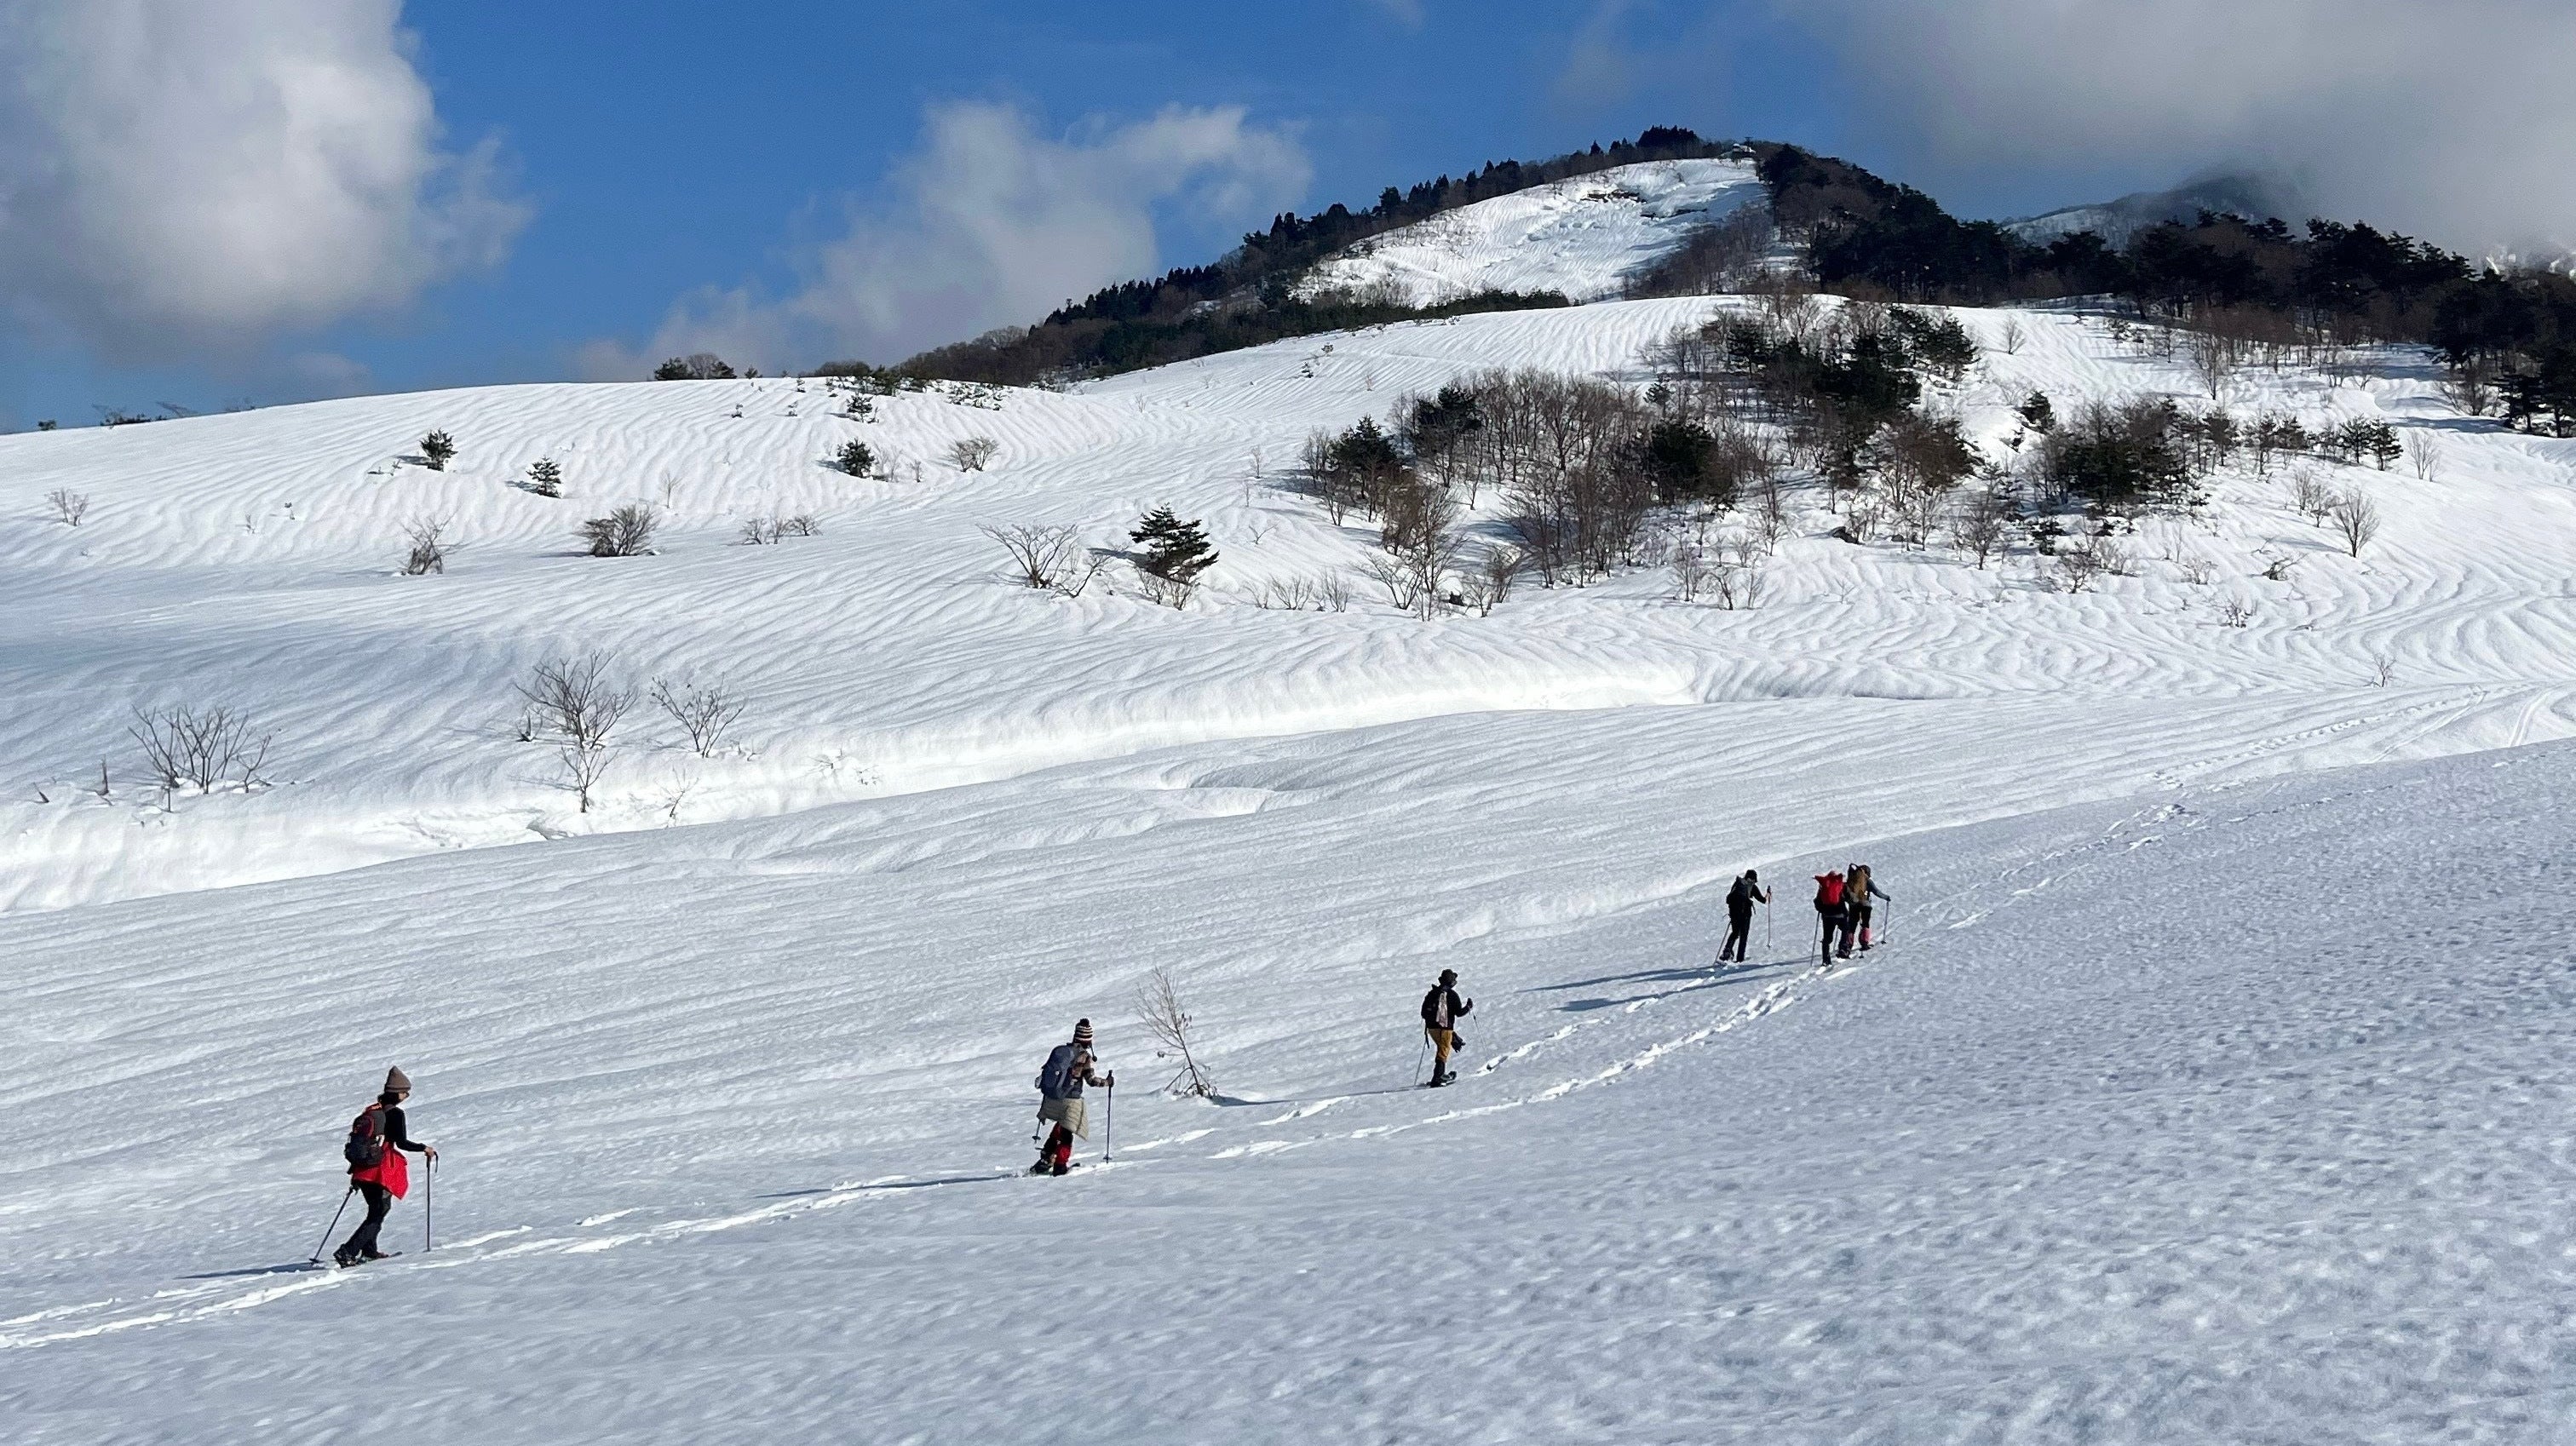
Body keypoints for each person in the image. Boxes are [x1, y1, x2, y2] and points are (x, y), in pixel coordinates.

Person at [335, 1066, 436, 1267]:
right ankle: (347, 1251)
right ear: (398, 1093)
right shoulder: (395, 1114)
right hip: (380, 1170)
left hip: (362, 1169)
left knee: (375, 1209)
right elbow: (402, 1143)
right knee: (379, 1211)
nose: (407, 1095)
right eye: (406, 1091)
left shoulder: (373, 1111)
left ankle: (369, 1251)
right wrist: (424, 1148)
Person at [1032, 1019, 1112, 1176]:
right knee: (1067, 1134)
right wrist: (1108, 1082)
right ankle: (1060, 1166)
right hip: (1071, 1101)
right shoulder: (1084, 1057)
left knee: (1059, 1129)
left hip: (1052, 1099)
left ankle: (1046, 1157)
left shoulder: (1062, 1053)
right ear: (1088, 1040)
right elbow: (1091, 1081)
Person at [1420, 969, 1473, 1087]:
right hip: (1445, 1028)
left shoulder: (1432, 993)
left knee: (1442, 1048)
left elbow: (1423, 1013)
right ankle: (1437, 1078)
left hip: (1431, 1029)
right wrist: (1469, 1007)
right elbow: (1459, 1013)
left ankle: (1439, 1075)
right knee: (1443, 1052)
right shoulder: (1452, 995)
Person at [1719, 869, 1769, 963]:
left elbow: (1730, 897)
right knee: (1743, 936)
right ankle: (1740, 959)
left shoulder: (1737, 883)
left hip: (1734, 912)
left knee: (1735, 933)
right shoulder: (1752, 887)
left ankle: (1727, 951)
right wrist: (1768, 894)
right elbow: (1763, 900)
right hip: (1745, 913)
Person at [1842, 864, 1891, 956]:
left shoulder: (1851, 880)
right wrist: (1886, 897)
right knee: (1865, 923)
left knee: (1852, 926)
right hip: (1866, 905)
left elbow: (1845, 895)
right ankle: (1864, 943)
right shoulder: (1868, 881)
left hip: (1853, 905)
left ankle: (1848, 945)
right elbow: (1877, 892)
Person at [1812, 870, 1847, 968]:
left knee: (1827, 939)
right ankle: (1842, 949)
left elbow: (1818, 902)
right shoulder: (1839, 885)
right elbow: (1845, 898)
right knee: (1846, 929)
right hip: (1840, 914)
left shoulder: (1823, 887)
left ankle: (1826, 960)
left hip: (1827, 916)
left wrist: (1821, 909)